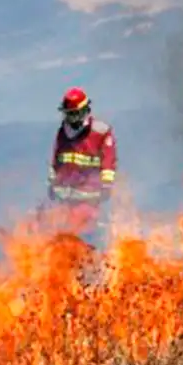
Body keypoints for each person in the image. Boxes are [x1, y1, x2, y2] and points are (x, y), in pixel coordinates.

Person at [47, 86, 117, 253]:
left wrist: (106, 185)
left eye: (74, 113)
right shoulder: (63, 132)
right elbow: (56, 159)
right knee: (59, 236)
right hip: (65, 197)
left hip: (90, 196)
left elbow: (108, 161)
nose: (71, 118)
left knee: (85, 233)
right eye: (68, 114)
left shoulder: (100, 132)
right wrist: (52, 183)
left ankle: (92, 265)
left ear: (85, 110)